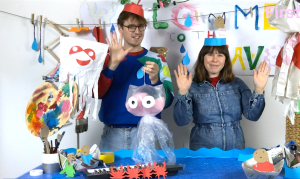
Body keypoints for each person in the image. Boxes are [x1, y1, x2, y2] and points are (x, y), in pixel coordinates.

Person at [96, 2, 174, 151]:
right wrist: (113, 64)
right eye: (131, 26)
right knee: (110, 174)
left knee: (146, 175)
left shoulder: (158, 59)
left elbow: (168, 101)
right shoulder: (107, 58)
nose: (137, 31)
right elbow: (98, 94)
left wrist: (155, 81)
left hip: (146, 134)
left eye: (141, 26)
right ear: (120, 28)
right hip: (112, 135)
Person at [173, 36, 270, 151]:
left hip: (235, 148)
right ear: (202, 58)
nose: (215, 60)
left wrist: (259, 89)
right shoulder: (192, 86)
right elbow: (181, 121)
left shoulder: (237, 84)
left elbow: (253, 115)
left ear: (225, 60)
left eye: (220, 55)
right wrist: (183, 92)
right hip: (203, 150)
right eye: (210, 54)